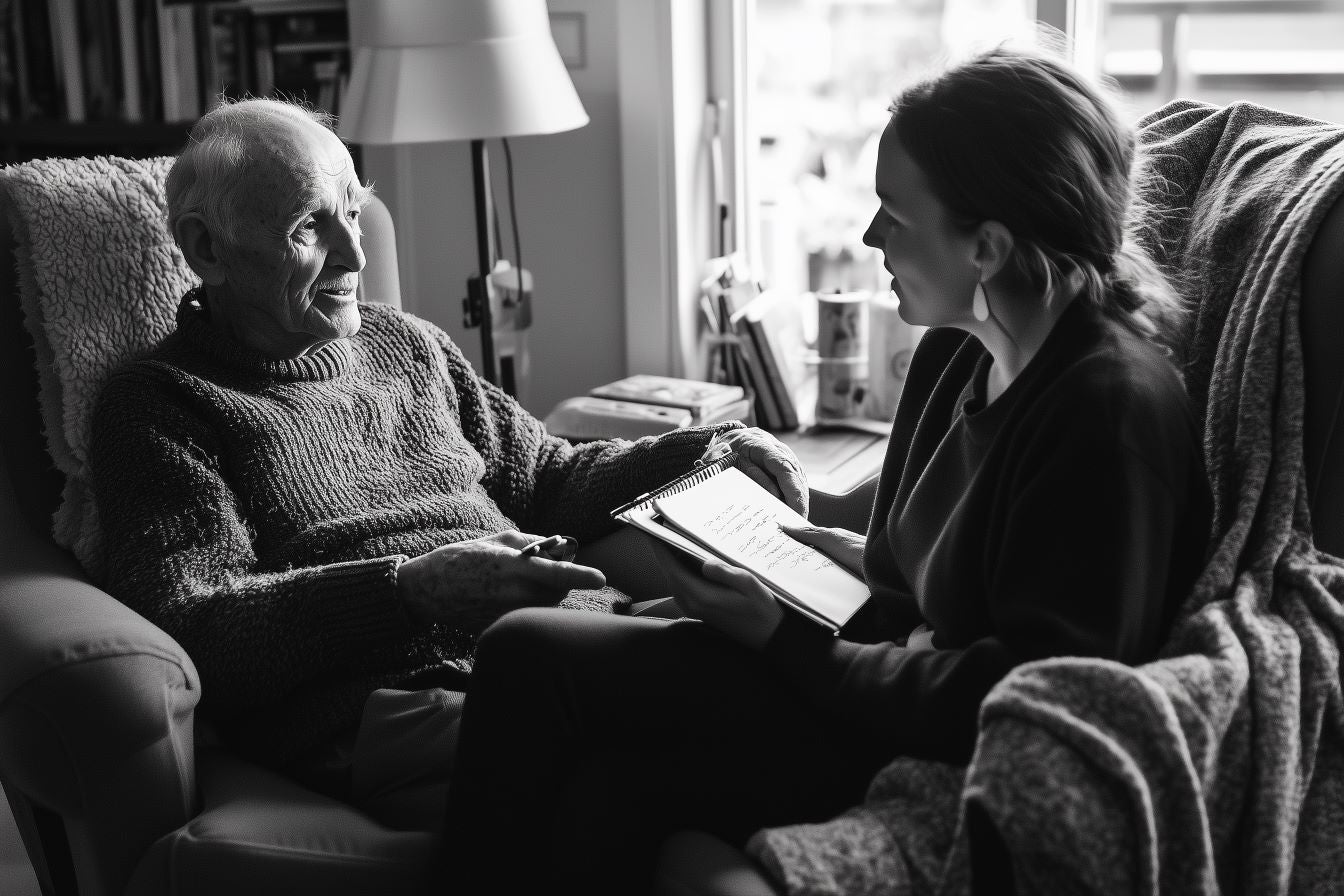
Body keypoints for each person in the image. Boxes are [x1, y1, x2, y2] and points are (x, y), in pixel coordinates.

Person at [442, 44, 1213, 894]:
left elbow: (1023, 696)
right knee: (602, 782)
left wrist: (779, 635)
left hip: (929, 741)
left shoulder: (1107, 414)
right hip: (864, 676)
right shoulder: (958, 352)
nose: (869, 236)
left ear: (987, 246)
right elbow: (924, 578)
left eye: (895, 215)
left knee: (528, 655)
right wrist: (825, 564)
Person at [87, 97, 806, 808]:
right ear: (206, 247)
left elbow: (546, 477)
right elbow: (197, 625)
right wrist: (409, 591)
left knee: (799, 658)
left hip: (567, 642)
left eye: (354, 214)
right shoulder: (160, 405)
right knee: (696, 750)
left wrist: (710, 447)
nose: (357, 255)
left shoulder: (407, 344)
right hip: (400, 697)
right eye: (312, 226)